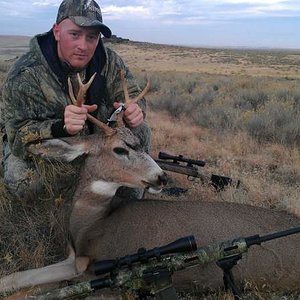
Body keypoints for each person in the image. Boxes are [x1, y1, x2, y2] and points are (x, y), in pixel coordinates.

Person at [1, 0, 150, 202]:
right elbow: (18, 138)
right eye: (74, 34)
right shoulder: (25, 75)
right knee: (24, 183)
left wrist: (135, 110)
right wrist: (60, 127)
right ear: (56, 32)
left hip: (97, 140)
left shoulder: (109, 61)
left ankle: (130, 200)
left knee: (141, 129)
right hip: (52, 146)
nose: (83, 46)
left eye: (92, 37)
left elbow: (132, 94)